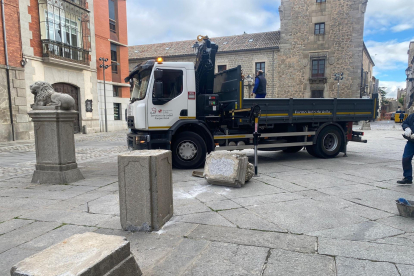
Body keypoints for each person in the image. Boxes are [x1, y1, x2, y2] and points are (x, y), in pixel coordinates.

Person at [398, 113, 414, 184]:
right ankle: (407, 177)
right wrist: (407, 128)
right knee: (406, 159)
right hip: (411, 142)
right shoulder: (412, 116)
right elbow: (405, 123)